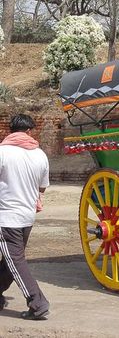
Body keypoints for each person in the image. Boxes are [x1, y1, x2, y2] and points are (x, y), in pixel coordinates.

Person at [0, 114, 50, 319]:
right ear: (30, 131)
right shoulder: (40, 155)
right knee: (11, 261)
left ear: (10, 130)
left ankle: (38, 302)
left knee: (15, 261)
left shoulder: (2, 152)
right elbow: (42, 188)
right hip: (27, 216)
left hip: (6, 217)